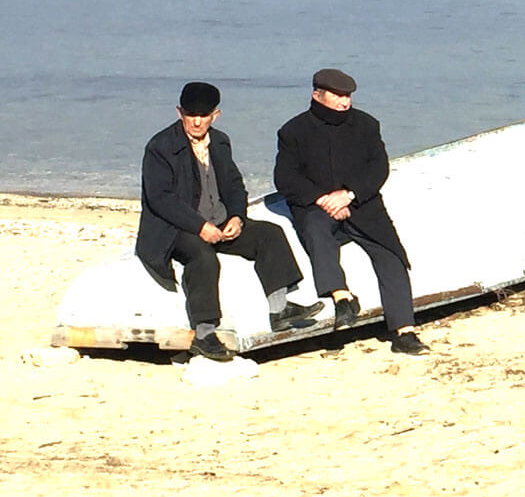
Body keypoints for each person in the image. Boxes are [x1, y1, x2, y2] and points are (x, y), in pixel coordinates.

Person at [136, 82, 320, 362]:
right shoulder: (160, 147)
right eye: (190, 114)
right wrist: (200, 227)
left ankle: (279, 310)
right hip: (174, 228)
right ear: (179, 112)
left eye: (203, 115)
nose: (197, 121)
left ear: (215, 115)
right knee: (203, 257)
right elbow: (160, 199)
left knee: (270, 234)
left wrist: (236, 216)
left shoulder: (220, 142)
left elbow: (235, 186)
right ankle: (205, 333)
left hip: (219, 222)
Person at [274, 68, 428, 355]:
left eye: (348, 96)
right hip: (317, 206)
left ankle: (404, 331)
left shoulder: (367, 125)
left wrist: (349, 195)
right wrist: (323, 199)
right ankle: (342, 297)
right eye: (338, 95)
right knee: (316, 232)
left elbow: (378, 168)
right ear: (317, 95)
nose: (345, 102)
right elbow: (285, 178)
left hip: (362, 203)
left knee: (391, 254)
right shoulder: (293, 131)